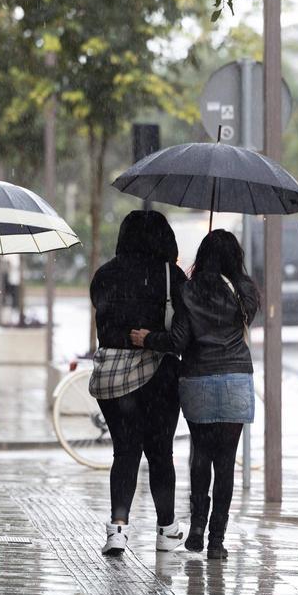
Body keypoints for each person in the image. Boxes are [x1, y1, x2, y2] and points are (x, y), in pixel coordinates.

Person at [131, 229, 258, 560]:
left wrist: (148, 338)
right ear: (236, 257)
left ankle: (197, 529)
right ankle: (217, 540)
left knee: (200, 455)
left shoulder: (188, 291)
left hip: (198, 379)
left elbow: (177, 342)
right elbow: (243, 323)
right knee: (226, 462)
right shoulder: (245, 290)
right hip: (234, 379)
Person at [89, 209, 187, 556]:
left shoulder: (104, 275)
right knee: (161, 453)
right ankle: (166, 529)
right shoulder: (170, 275)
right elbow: (181, 331)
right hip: (159, 374)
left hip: (114, 377)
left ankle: (118, 529)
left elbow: (105, 330)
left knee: (125, 452)